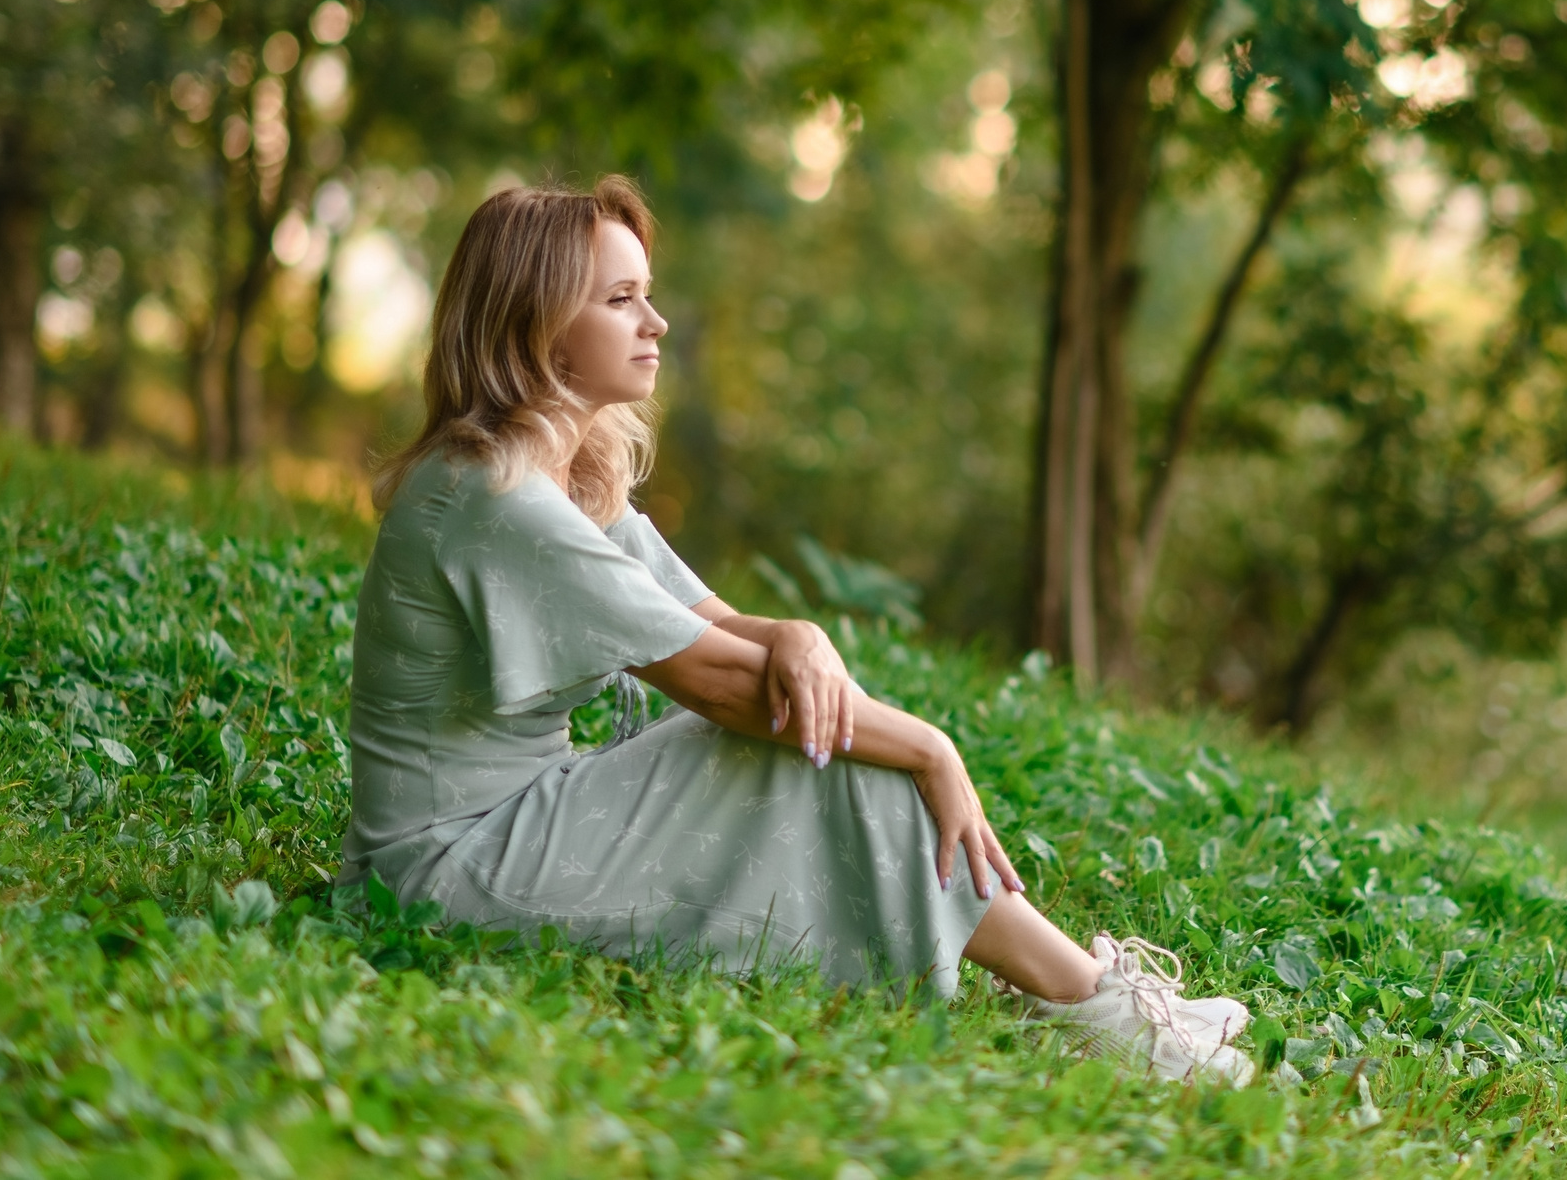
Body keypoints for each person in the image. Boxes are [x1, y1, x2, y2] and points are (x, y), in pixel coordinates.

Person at [336, 177, 1253, 1085]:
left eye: (646, 294)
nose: (653, 321)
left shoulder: (556, 479)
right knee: (832, 752)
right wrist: (931, 749)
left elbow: (727, 627)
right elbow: (729, 689)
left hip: (514, 819)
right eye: (620, 301)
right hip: (439, 874)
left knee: (826, 733)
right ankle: (1094, 1003)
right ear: (534, 326)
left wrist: (801, 634)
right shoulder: (502, 502)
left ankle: (1089, 994)